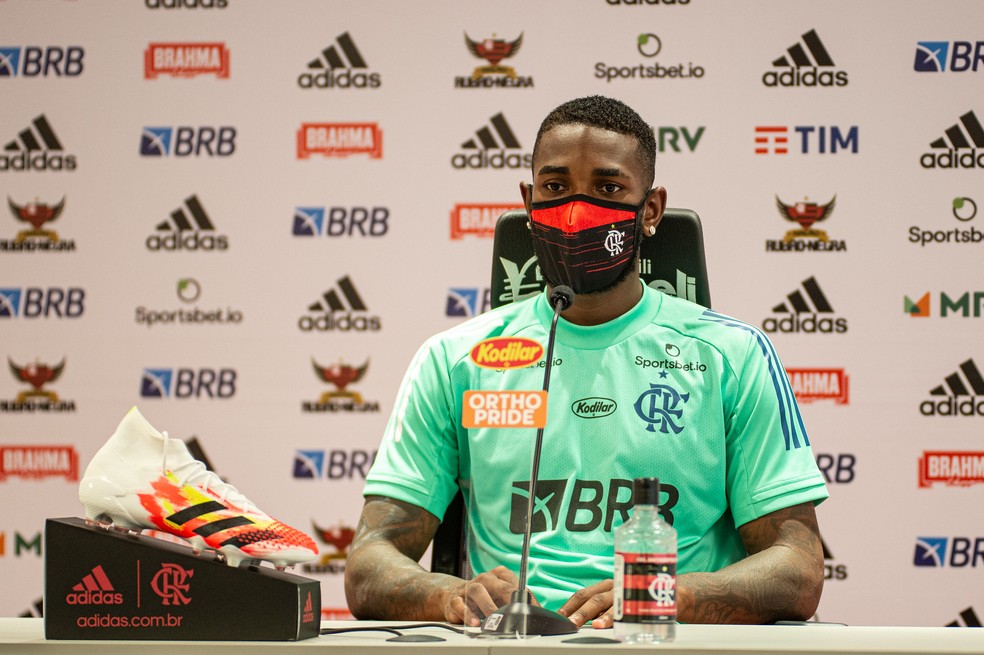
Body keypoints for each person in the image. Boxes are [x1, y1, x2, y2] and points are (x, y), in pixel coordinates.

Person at [344, 95, 829, 628]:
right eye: (555, 188)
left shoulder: (731, 356)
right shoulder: (455, 359)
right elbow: (370, 563)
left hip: (663, 640)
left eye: (607, 188)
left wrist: (664, 594)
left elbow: (798, 569)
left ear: (651, 210)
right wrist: (447, 597)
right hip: (515, 644)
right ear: (528, 203)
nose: (577, 211)